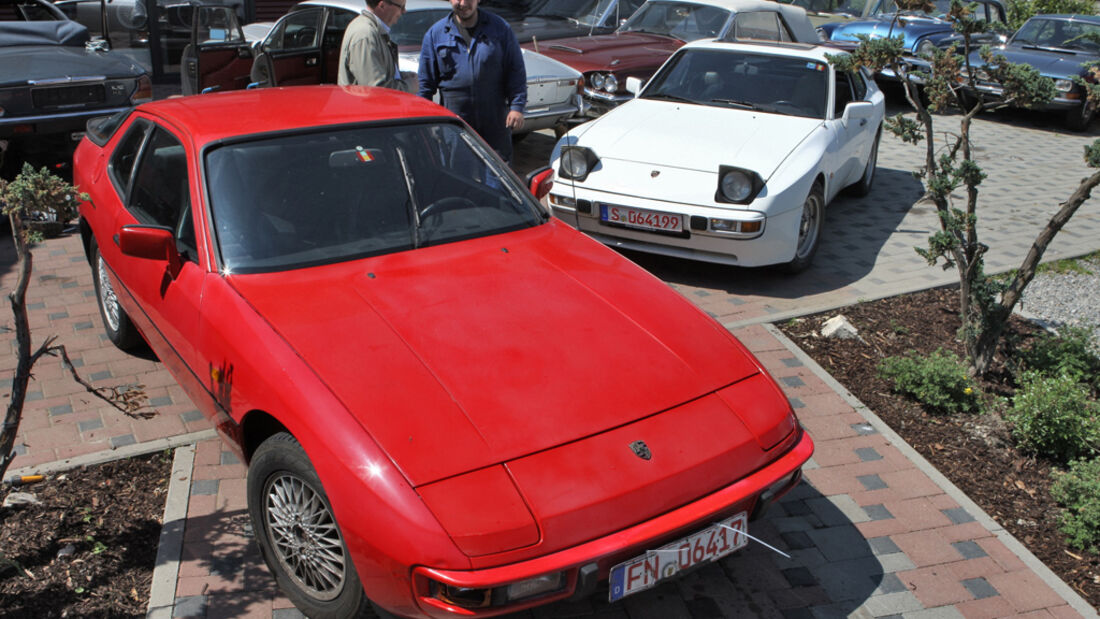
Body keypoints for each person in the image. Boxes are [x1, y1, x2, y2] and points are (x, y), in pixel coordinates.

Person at [418, 0, 526, 161]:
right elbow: (426, 84)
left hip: (494, 119)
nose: (462, 3)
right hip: (454, 122)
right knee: (457, 175)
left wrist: (517, 106)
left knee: (496, 179)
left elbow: (515, 70)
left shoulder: (499, 28)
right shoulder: (436, 34)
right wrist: (424, 120)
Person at [338, 0, 414, 91]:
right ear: (382, 6)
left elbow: (379, 76)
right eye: (401, 7)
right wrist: (410, 85)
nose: (404, 11)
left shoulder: (373, 30)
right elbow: (376, 91)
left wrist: (403, 76)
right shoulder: (365, 34)